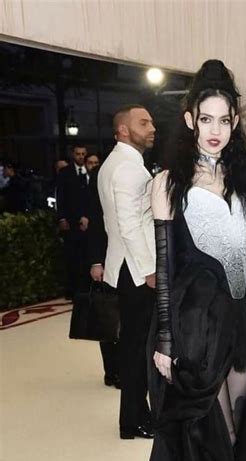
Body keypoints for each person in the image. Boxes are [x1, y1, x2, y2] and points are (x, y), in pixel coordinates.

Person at [33, 60, 246, 461]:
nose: (215, 130)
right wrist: (163, 339)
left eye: (225, 120)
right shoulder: (169, 182)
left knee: (240, 438)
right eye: (206, 119)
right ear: (190, 120)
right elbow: (165, 268)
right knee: (213, 440)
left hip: (242, 328)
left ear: (235, 122)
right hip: (195, 329)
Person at [98, 105, 156, 439]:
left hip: (126, 267)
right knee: (137, 350)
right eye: (143, 123)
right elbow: (129, 225)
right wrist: (149, 270)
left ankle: (134, 418)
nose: (152, 128)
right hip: (135, 271)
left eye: (151, 122)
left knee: (134, 348)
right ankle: (134, 420)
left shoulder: (116, 163)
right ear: (123, 130)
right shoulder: (127, 169)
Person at [87, 154, 120, 389]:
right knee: (108, 318)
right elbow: (95, 225)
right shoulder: (99, 178)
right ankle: (112, 371)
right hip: (106, 261)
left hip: (125, 261)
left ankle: (123, 369)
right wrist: (96, 262)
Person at [56, 144, 90, 297]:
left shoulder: (90, 171)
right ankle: (74, 289)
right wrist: (62, 218)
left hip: (89, 221)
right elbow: (61, 197)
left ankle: (88, 288)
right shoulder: (65, 173)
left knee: (87, 255)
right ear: (73, 154)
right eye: (78, 154)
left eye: (83, 154)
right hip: (71, 221)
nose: (81, 156)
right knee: (72, 256)